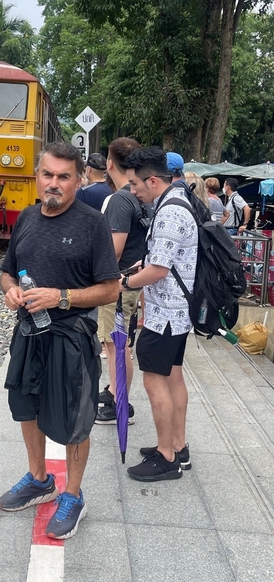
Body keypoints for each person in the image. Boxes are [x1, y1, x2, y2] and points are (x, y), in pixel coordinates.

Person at [0, 141, 120, 538]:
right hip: (30, 331)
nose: (54, 183)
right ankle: (39, 480)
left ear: (79, 180)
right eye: (47, 174)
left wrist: (61, 296)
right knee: (25, 405)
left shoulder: (91, 223)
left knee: (74, 416)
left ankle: (72, 494)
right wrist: (10, 290)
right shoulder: (27, 217)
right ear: (37, 177)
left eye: (63, 177)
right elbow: (7, 271)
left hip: (72, 335)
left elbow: (110, 289)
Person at [121, 146, 198, 482]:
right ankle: (177, 447)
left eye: (136, 185)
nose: (133, 191)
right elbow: (164, 259)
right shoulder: (179, 201)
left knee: (154, 381)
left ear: (153, 180)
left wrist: (125, 282)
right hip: (179, 312)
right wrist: (144, 266)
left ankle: (166, 457)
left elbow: (158, 271)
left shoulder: (169, 213)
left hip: (165, 315)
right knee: (173, 376)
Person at [95, 137, 147, 426]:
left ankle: (118, 402)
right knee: (120, 343)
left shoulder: (118, 200)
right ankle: (117, 393)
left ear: (109, 163)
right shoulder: (135, 195)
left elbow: (113, 251)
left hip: (118, 284)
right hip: (132, 281)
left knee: (115, 344)